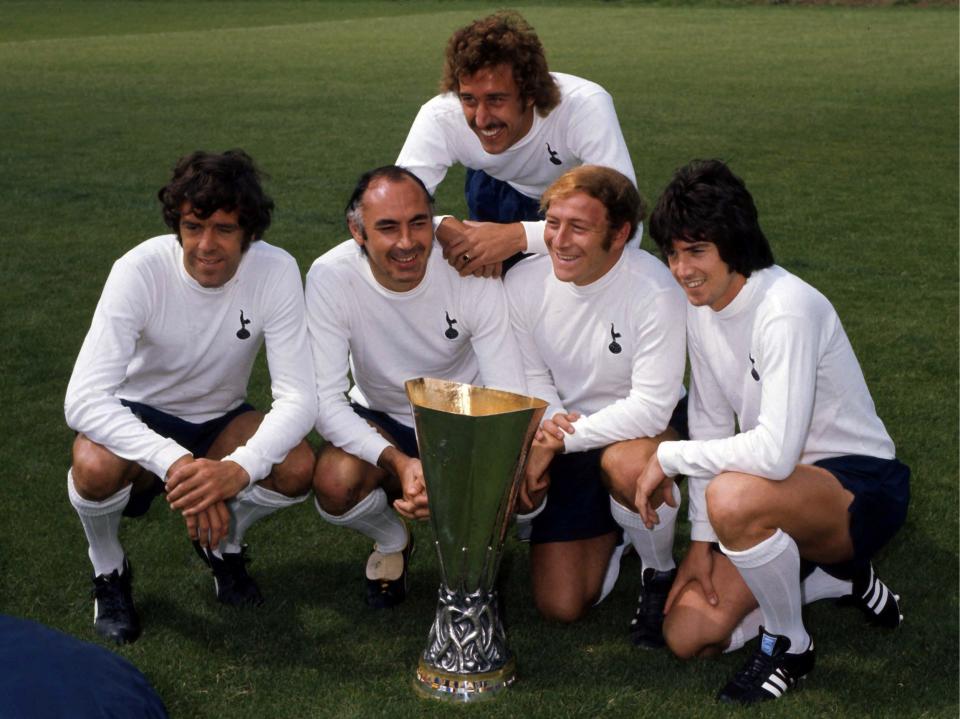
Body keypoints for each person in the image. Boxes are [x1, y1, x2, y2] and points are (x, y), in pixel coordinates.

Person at [636, 159, 909, 703]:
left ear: (733, 244)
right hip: (778, 494)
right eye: (672, 253)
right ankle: (840, 579)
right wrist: (700, 543)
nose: (681, 269)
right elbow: (712, 419)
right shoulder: (703, 307)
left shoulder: (786, 308)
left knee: (731, 495)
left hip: (858, 487)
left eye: (696, 251)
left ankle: (790, 643)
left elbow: (778, 454)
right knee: (688, 634)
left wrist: (669, 458)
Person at [64, 150, 317, 645]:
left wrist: (236, 470)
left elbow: (298, 398)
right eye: (194, 225)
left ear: (249, 232)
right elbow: (84, 398)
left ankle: (223, 545)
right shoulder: (139, 269)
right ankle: (109, 566)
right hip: (140, 419)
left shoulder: (277, 269)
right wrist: (178, 464)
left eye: (224, 229)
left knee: (296, 465)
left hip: (220, 421)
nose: (206, 245)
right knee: (92, 466)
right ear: (177, 224)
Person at [305, 165, 526, 609]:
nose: (407, 243)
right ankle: (392, 539)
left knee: (525, 487)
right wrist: (401, 463)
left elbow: (508, 394)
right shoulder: (330, 276)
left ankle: (474, 567)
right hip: (382, 416)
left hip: (465, 414)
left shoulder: (470, 269)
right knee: (334, 482)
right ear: (358, 231)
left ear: (434, 221)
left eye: (418, 223)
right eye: (387, 227)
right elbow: (326, 403)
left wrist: (453, 474)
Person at [504, 165, 686, 641]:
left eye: (578, 227)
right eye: (553, 222)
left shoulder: (656, 290)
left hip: (641, 430)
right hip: (566, 432)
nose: (559, 240)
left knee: (627, 467)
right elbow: (531, 373)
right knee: (560, 605)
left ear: (621, 233)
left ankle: (659, 571)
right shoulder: (523, 282)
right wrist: (550, 429)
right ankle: (623, 528)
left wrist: (556, 444)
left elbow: (651, 406)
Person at [397, 10, 638, 276]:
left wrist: (517, 236)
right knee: (478, 275)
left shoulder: (583, 105)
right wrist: (442, 225)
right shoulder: (439, 116)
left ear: (531, 93)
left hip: (571, 204)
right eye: (468, 100)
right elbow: (392, 205)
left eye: (496, 99)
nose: (481, 118)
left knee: (591, 273)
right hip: (491, 189)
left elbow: (624, 218)